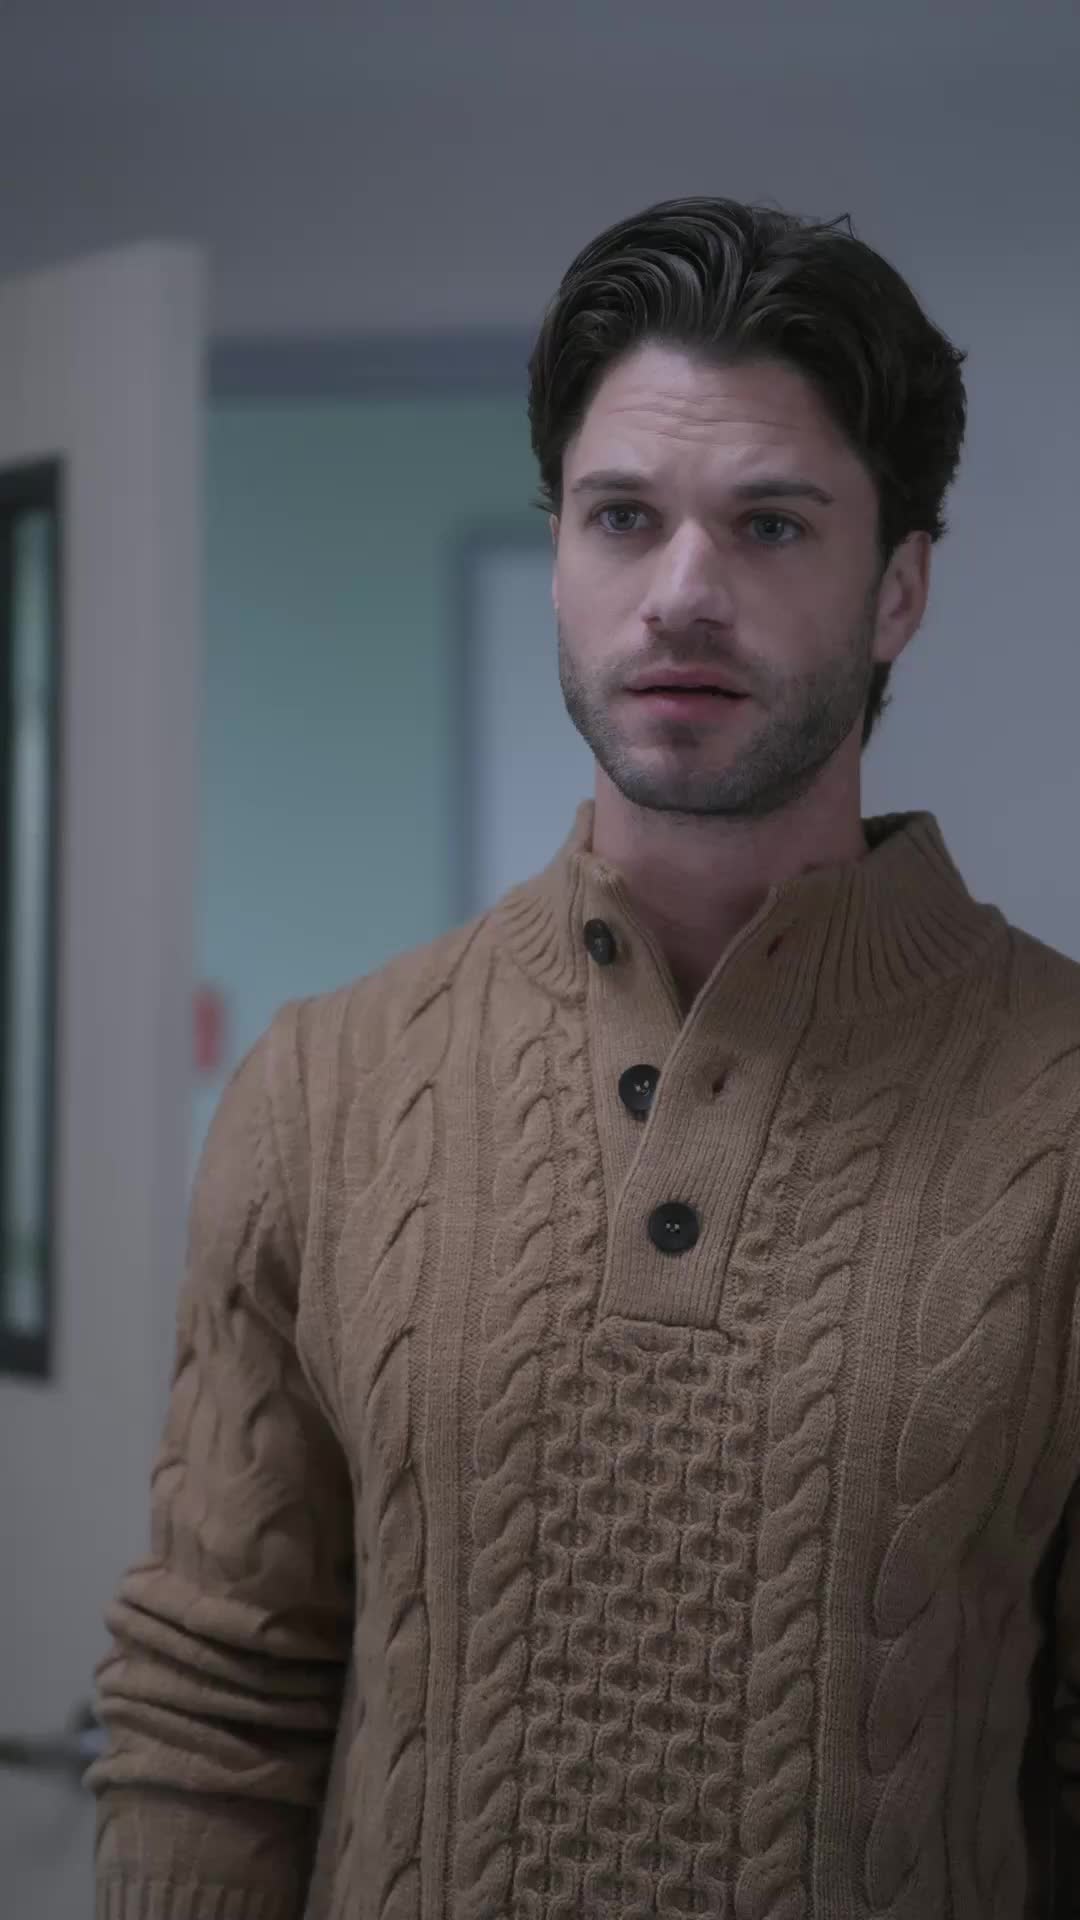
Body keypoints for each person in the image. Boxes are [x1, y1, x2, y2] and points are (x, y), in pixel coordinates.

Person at [91, 196, 1080, 1919]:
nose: (684, 591)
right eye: (624, 517)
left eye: (771, 525)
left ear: (900, 589)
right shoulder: (322, 1090)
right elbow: (212, 1716)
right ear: (562, 552)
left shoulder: (1059, 1107)